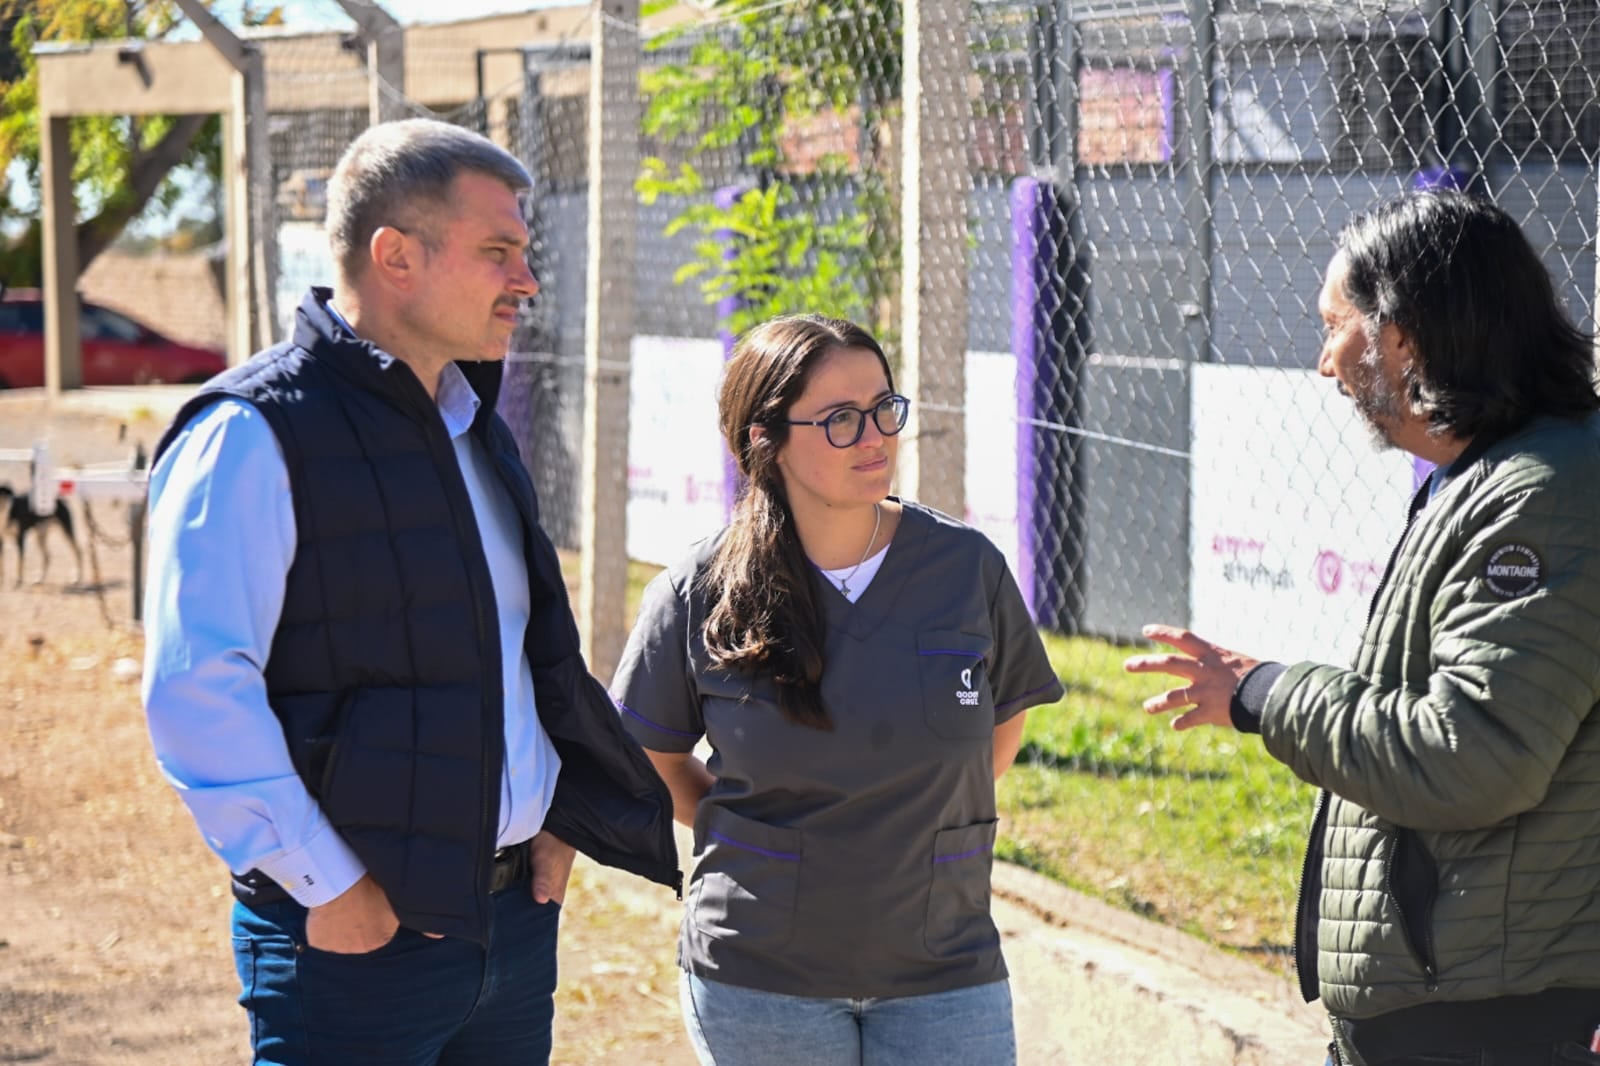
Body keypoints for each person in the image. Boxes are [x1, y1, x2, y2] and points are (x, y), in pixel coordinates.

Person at [140, 118, 679, 1065]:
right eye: (498, 252)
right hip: (357, 947)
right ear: (395, 255)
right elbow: (196, 693)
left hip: (512, 931)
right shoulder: (251, 434)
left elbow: (517, 657)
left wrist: (555, 817)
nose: (527, 281)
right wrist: (334, 887)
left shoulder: (475, 425)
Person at [1123, 190, 1600, 1066]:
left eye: (1334, 326)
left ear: (1401, 336)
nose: (1323, 363)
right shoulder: (1495, 477)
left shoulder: (1544, 495)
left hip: (1494, 1023)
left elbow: (1473, 754)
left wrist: (1268, 694)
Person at [610, 313, 1064, 1066]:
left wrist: (912, 809)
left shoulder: (963, 569)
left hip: (943, 964)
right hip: (762, 973)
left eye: (885, 409)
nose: (876, 436)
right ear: (765, 438)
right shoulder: (701, 588)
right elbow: (651, 756)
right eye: (841, 420)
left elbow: (1001, 721)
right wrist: (758, 831)